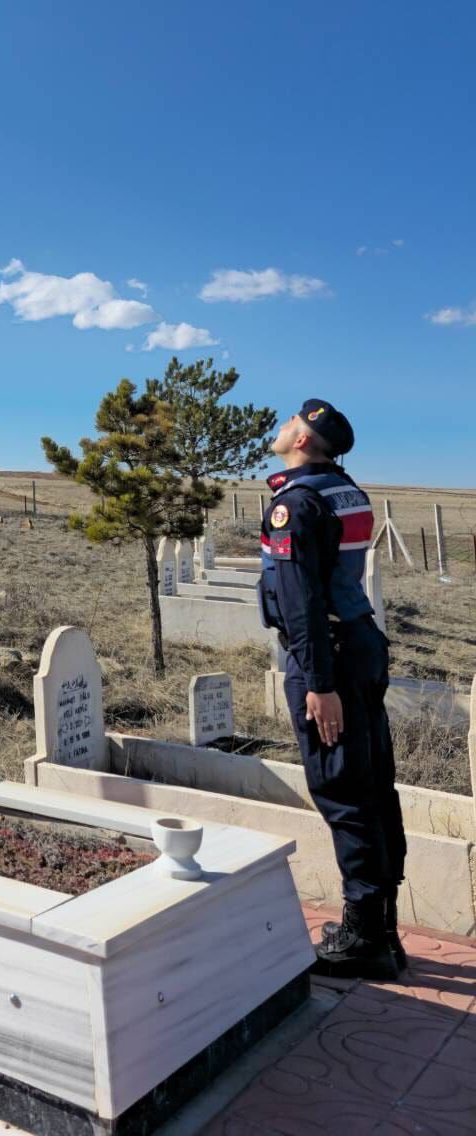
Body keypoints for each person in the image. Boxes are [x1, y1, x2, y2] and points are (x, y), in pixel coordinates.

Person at [258, 400, 407, 981]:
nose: (281, 425)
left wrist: (319, 685)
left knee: (342, 789)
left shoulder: (295, 504)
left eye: (290, 419)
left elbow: (300, 602)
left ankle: (364, 936)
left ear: (302, 435)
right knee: (373, 783)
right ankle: (384, 927)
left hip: (330, 657)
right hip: (362, 643)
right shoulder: (346, 490)